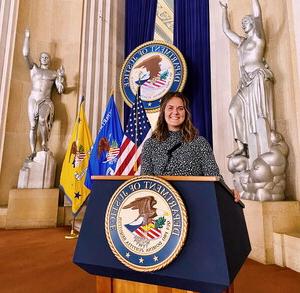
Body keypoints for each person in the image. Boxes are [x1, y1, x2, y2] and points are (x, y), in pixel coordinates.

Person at [219, 0, 275, 158]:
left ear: (253, 23)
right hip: (244, 82)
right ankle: (241, 146)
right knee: (233, 110)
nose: (243, 24)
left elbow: (258, 15)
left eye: (246, 21)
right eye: (242, 22)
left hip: (257, 77)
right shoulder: (241, 42)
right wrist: (224, 9)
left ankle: (260, 147)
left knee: (258, 116)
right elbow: (226, 30)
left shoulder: (258, 38)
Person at [141, 92, 222, 178]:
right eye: (170, 108)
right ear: (163, 111)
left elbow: (215, 178)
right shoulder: (150, 144)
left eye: (180, 108)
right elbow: (146, 183)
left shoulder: (200, 143)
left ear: (186, 112)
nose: (175, 112)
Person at [23, 29, 65, 160]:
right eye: (43, 57)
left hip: (45, 100)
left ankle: (44, 144)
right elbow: (25, 54)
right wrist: (27, 37)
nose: (45, 59)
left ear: (49, 60)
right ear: (40, 59)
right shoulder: (34, 68)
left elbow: (60, 90)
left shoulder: (53, 73)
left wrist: (61, 78)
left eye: (47, 57)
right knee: (33, 125)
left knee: (42, 120)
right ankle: (33, 151)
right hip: (33, 99)